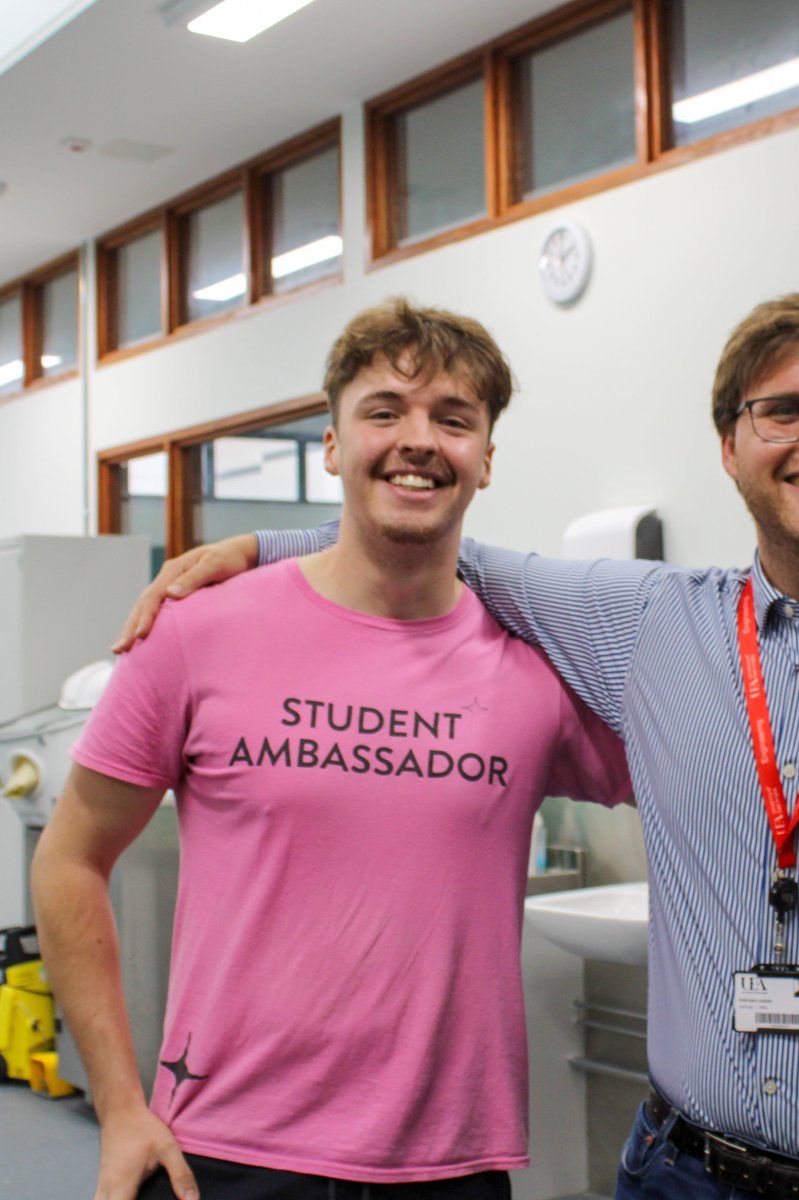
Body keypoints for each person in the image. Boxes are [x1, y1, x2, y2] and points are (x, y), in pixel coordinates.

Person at [117, 288, 799, 1199]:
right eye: (781, 410)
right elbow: (442, 546)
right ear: (731, 446)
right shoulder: (652, 624)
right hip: (680, 1173)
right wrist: (258, 548)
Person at [31, 298, 636, 1200]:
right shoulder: (199, 631)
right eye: (385, 411)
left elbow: (712, 773)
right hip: (223, 1154)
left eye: (453, 419)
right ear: (330, 443)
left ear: (487, 459)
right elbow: (70, 857)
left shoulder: (532, 671)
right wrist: (119, 1104)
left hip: (448, 1166)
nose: (418, 440)